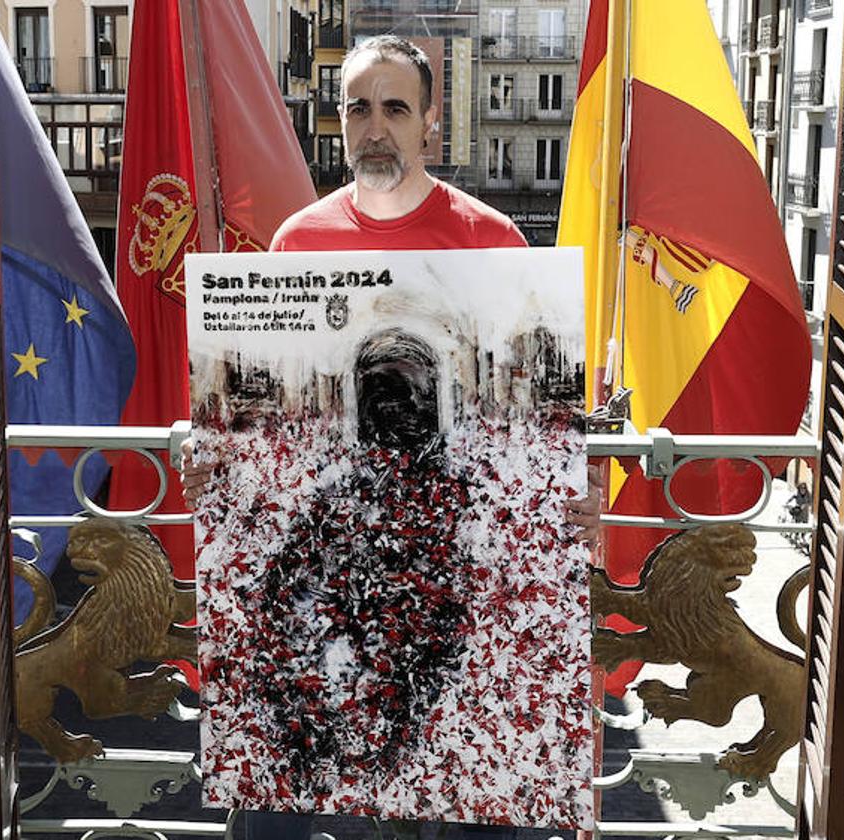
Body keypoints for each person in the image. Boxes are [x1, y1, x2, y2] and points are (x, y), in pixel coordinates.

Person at [182, 35, 599, 840]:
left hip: (455, 676)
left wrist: (569, 501)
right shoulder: (297, 245)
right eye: (358, 109)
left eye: (396, 109)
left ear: (430, 125)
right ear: (338, 123)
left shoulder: (494, 243)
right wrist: (224, 472)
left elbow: (536, 435)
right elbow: (267, 449)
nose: (376, 129)